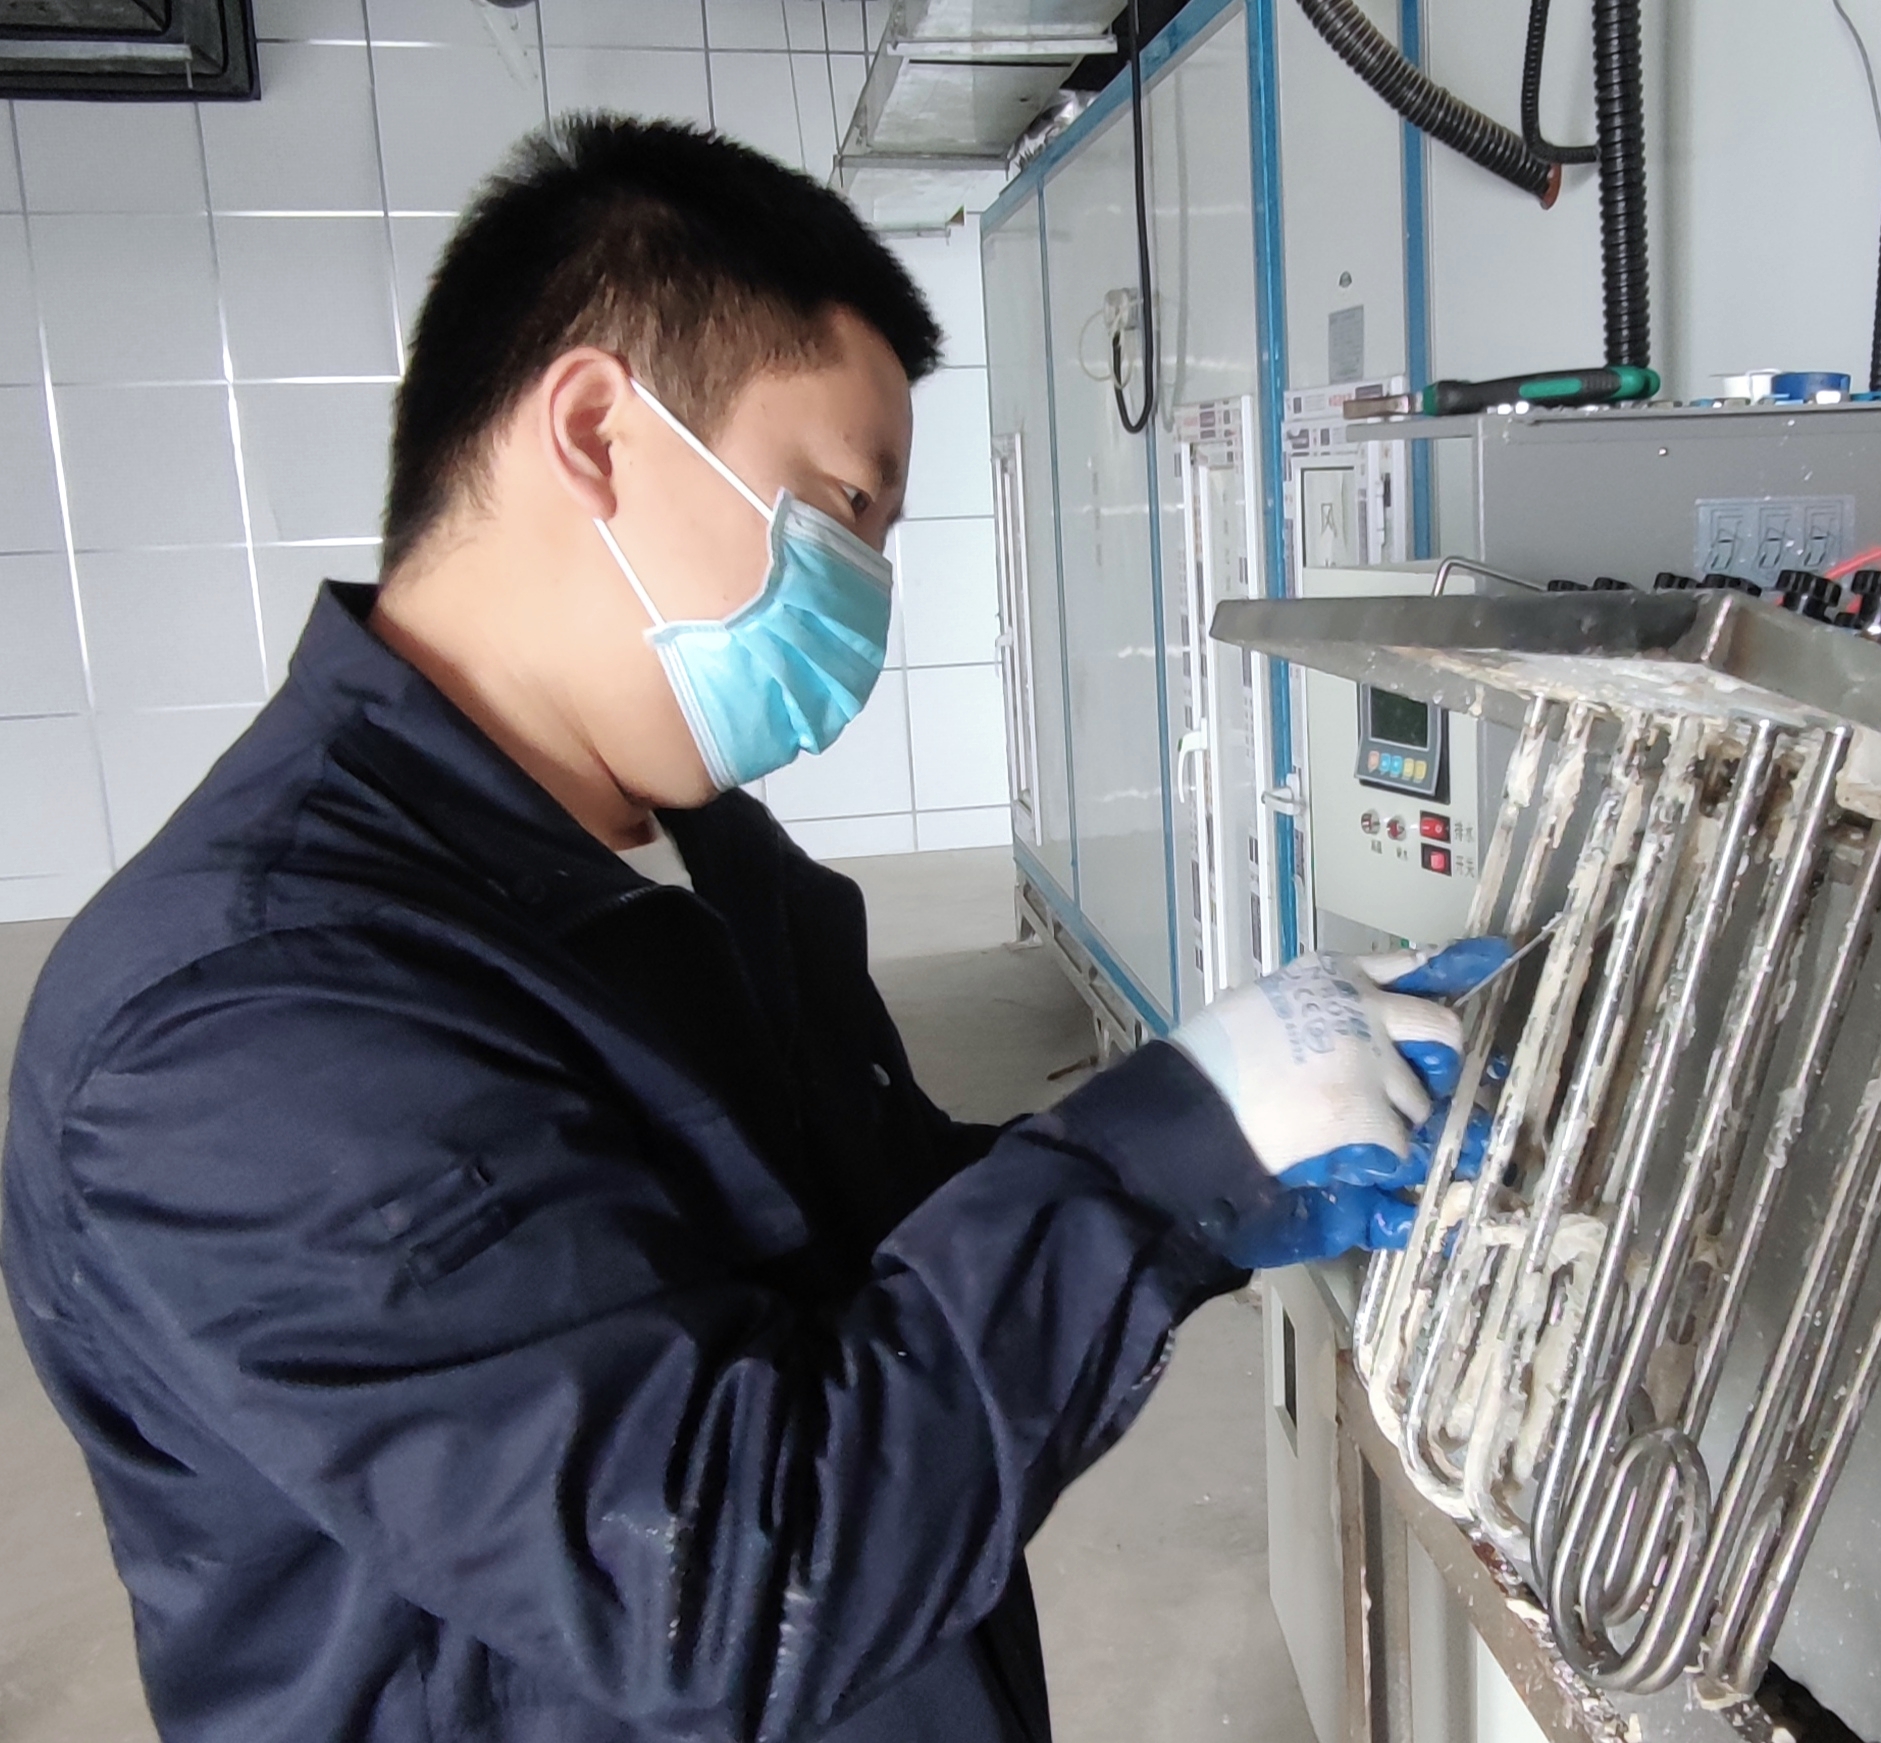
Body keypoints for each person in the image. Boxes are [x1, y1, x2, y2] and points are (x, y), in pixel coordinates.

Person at [2, 115, 1484, 1743]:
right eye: (843, 509)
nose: (865, 595)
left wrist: (1218, 1162)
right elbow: (724, 1578)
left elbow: (848, 1241)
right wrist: (1147, 1162)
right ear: (595, 431)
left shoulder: (692, 854)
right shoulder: (250, 1020)